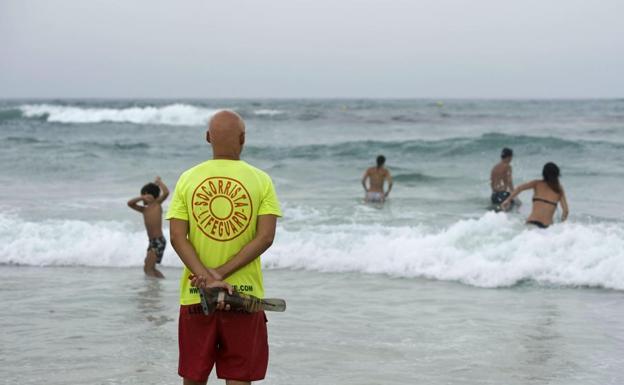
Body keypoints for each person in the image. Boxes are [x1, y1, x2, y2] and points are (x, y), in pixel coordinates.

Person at [167, 110, 282, 385]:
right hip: (245, 297)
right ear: (243, 138)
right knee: (239, 378)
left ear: (208, 138)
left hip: (197, 296)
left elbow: (176, 237)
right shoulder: (261, 180)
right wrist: (221, 272)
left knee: (194, 377)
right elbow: (265, 237)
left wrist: (206, 277)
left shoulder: (187, 178)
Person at [501, 162, 569, 228]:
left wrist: (507, 200)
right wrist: (561, 226)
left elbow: (519, 188)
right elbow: (565, 211)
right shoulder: (559, 189)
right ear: (557, 174)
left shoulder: (536, 183)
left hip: (531, 223)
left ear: (543, 174)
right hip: (547, 228)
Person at [127, 176, 169, 278]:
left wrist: (159, 182)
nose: (142, 198)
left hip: (159, 241)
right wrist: (142, 197)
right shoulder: (144, 209)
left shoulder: (157, 204)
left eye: (143, 195)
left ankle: (155, 288)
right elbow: (130, 203)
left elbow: (166, 193)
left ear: (149, 194)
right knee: (148, 268)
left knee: (149, 268)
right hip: (152, 242)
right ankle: (158, 284)